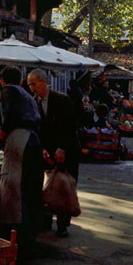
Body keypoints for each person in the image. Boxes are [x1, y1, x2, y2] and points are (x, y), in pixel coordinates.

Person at [0, 66, 43, 261]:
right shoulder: (27, 93)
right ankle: (29, 242)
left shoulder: (9, 91)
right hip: (33, 141)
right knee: (28, 191)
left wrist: (1, 134)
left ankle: (20, 247)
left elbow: (11, 116)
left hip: (20, 140)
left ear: (2, 81)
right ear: (21, 80)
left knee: (13, 190)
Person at [27, 69, 79, 237]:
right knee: (46, 186)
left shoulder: (62, 100)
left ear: (43, 82)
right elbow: (36, 128)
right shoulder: (33, 102)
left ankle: (63, 224)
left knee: (64, 186)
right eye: (29, 84)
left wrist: (62, 148)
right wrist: (41, 148)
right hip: (47, 150)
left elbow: (71, 127)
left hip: (67, 148)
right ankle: (46, 219)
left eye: (33, 84)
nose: (31, 88)